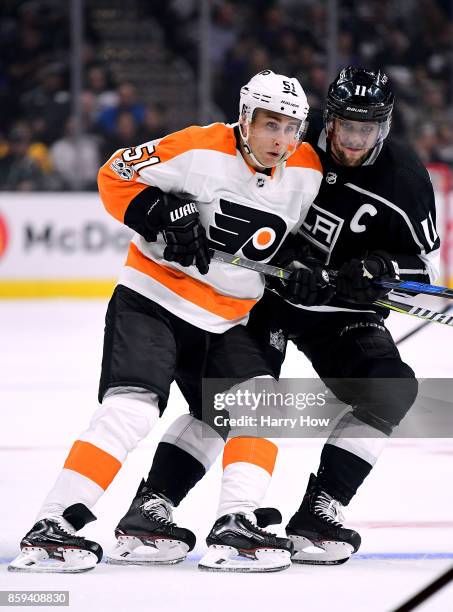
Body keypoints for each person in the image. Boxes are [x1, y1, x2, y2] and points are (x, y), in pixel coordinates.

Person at [119, 66, 439, 568]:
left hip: (339, 311)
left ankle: (318, 514)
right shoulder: (289, 139)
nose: (353, 142)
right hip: (261, 297)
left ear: (386, 126)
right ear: (327, 120)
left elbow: (424, 269)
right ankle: (151, 508)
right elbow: (216, 181)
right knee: (229, 399)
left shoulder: (405, 179)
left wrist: (379, 268)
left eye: (367, 129)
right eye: (345, 127)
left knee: (390, 387)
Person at [8, 70, 326, 573]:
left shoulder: (308, 169)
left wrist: (312, 274)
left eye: (291, 128)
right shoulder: (198, 148)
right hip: (153, 300)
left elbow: (303, 241)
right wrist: (159, 211)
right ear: (245, 118)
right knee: (132, 409)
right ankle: (52, 526)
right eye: (270, 125)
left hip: (228, 318)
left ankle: (233, 523)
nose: (281, 139)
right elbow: (114, 174)